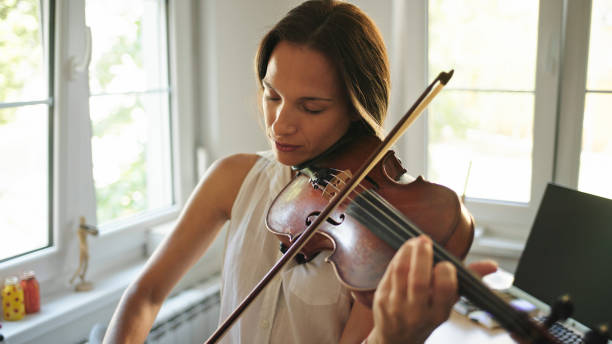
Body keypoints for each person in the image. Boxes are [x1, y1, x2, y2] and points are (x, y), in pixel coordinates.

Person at [103, 1, 497, 343]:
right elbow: (146, 294)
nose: (278, 125)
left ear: (357, 112)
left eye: (311, 108)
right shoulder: (232, 179)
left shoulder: (374, 236)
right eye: (272, 95)